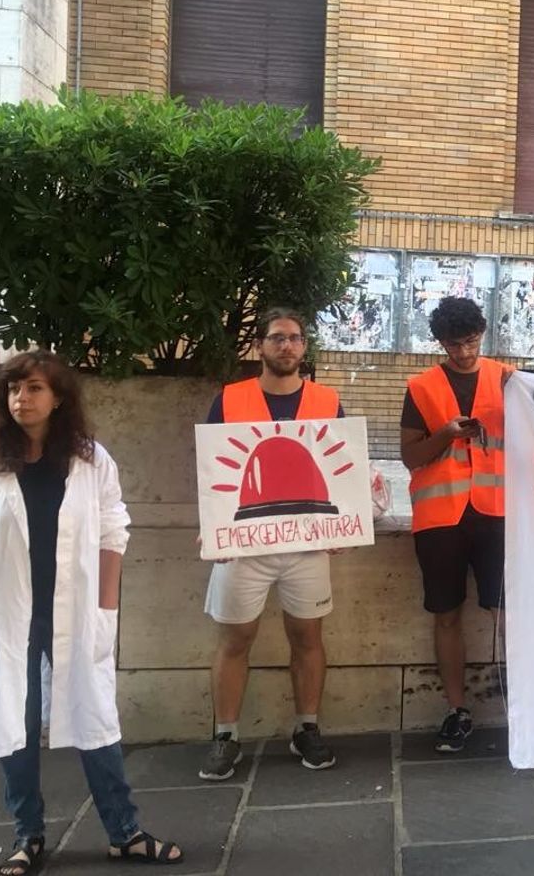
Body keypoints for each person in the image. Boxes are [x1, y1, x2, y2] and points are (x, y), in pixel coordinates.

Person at [0, 351, 183, 874]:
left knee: (96, 720)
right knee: (15, 725)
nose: (21, 398)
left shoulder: (91, 461)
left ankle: (125, 831)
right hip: (5, 618)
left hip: (74, 613)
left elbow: (114, 531)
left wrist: (105, 607)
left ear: (59, 398)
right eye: (14, 390)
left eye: (34, 388)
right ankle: (28, 836)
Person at [199, 307, 343, 780]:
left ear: (305, 348)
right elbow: (212, 470)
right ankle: (225, 736)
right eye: (278, 338)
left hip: (306, 546)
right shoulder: (230, 399)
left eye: (296, 338)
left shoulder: (326, 399)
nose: (288, 346)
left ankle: (307, 727)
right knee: (235, 638)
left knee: (308, 637)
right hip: (242, 544)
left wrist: (343, 526)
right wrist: (213, 526)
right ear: (260, 346)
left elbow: (339, 467)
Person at [400, 296, 510, 753]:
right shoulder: (421, 386)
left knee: (505, 612)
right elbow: (409, 458)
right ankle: (457, 709)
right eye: (453, 344)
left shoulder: (508, 378)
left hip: (498, 512)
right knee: (446, 615)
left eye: (470, 341)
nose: (464, 352)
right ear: (440, 342)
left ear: (481, 333)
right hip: (440, 519)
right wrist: (445, 433)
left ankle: (519, 706)